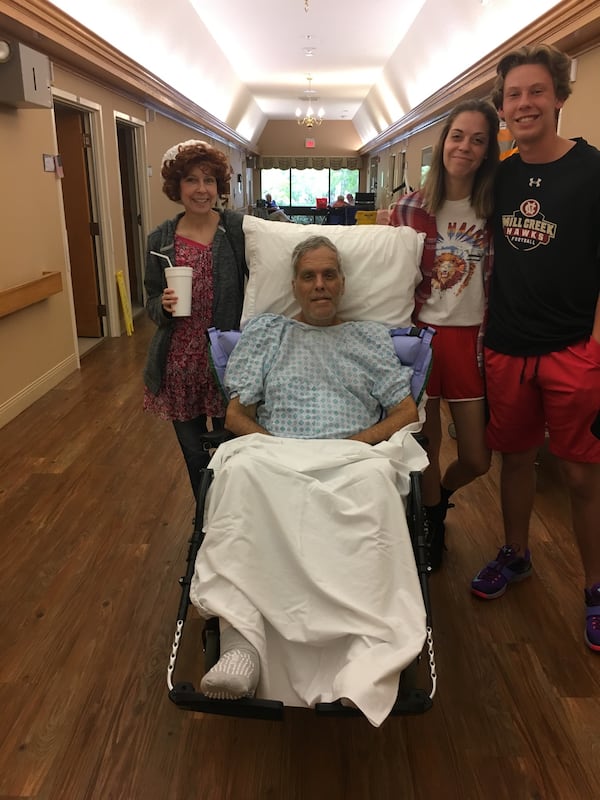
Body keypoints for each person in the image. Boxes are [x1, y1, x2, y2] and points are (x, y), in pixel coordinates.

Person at [190, 235, 428, 726]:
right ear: (295, 285)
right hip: (276, 452)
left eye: (329, 275)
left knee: (378, 486)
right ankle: (242, 648)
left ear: (342, 283)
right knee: (239, 475)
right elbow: (236, 415)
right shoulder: (267, 333)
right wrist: (272, 446)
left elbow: (404, 410)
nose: (320, 285)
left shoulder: (368, 337)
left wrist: (361, 444)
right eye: (308, 276)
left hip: (353, 454)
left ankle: (362, 660)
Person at [469, 45, 600, 653]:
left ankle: (596, 589)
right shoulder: (498, 173)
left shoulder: (593, 172)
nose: (524, 103)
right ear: (503, 107)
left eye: (536, 91)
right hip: (506, 345)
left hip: (574, 349)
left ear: (559, 98)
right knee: (515, 461)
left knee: (581, 475)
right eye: (513, 95)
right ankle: (516, 554)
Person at [390, 99, 500, 569]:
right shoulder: (408, 208)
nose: (466, 147)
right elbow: (388, 279)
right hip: (423, 339)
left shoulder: (497, 209)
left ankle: (440, 498)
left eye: (478, 140)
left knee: (477, 457)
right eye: (458, 136)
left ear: (488, 150)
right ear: (443, 142)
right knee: (428, 447)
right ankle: (430, 521)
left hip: (473, 341)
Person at [143, 140, 247, 499]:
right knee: (193, 457)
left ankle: (229, 519)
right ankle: (204, 521)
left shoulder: (236, 230)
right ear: (177, 187)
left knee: (231, 452)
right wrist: (163, 306)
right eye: (191, 180)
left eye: (209, 180)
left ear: (219, 187)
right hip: (178, 364)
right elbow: (150, 298)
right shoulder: (160, 238)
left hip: (225, 364)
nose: (201, 190)